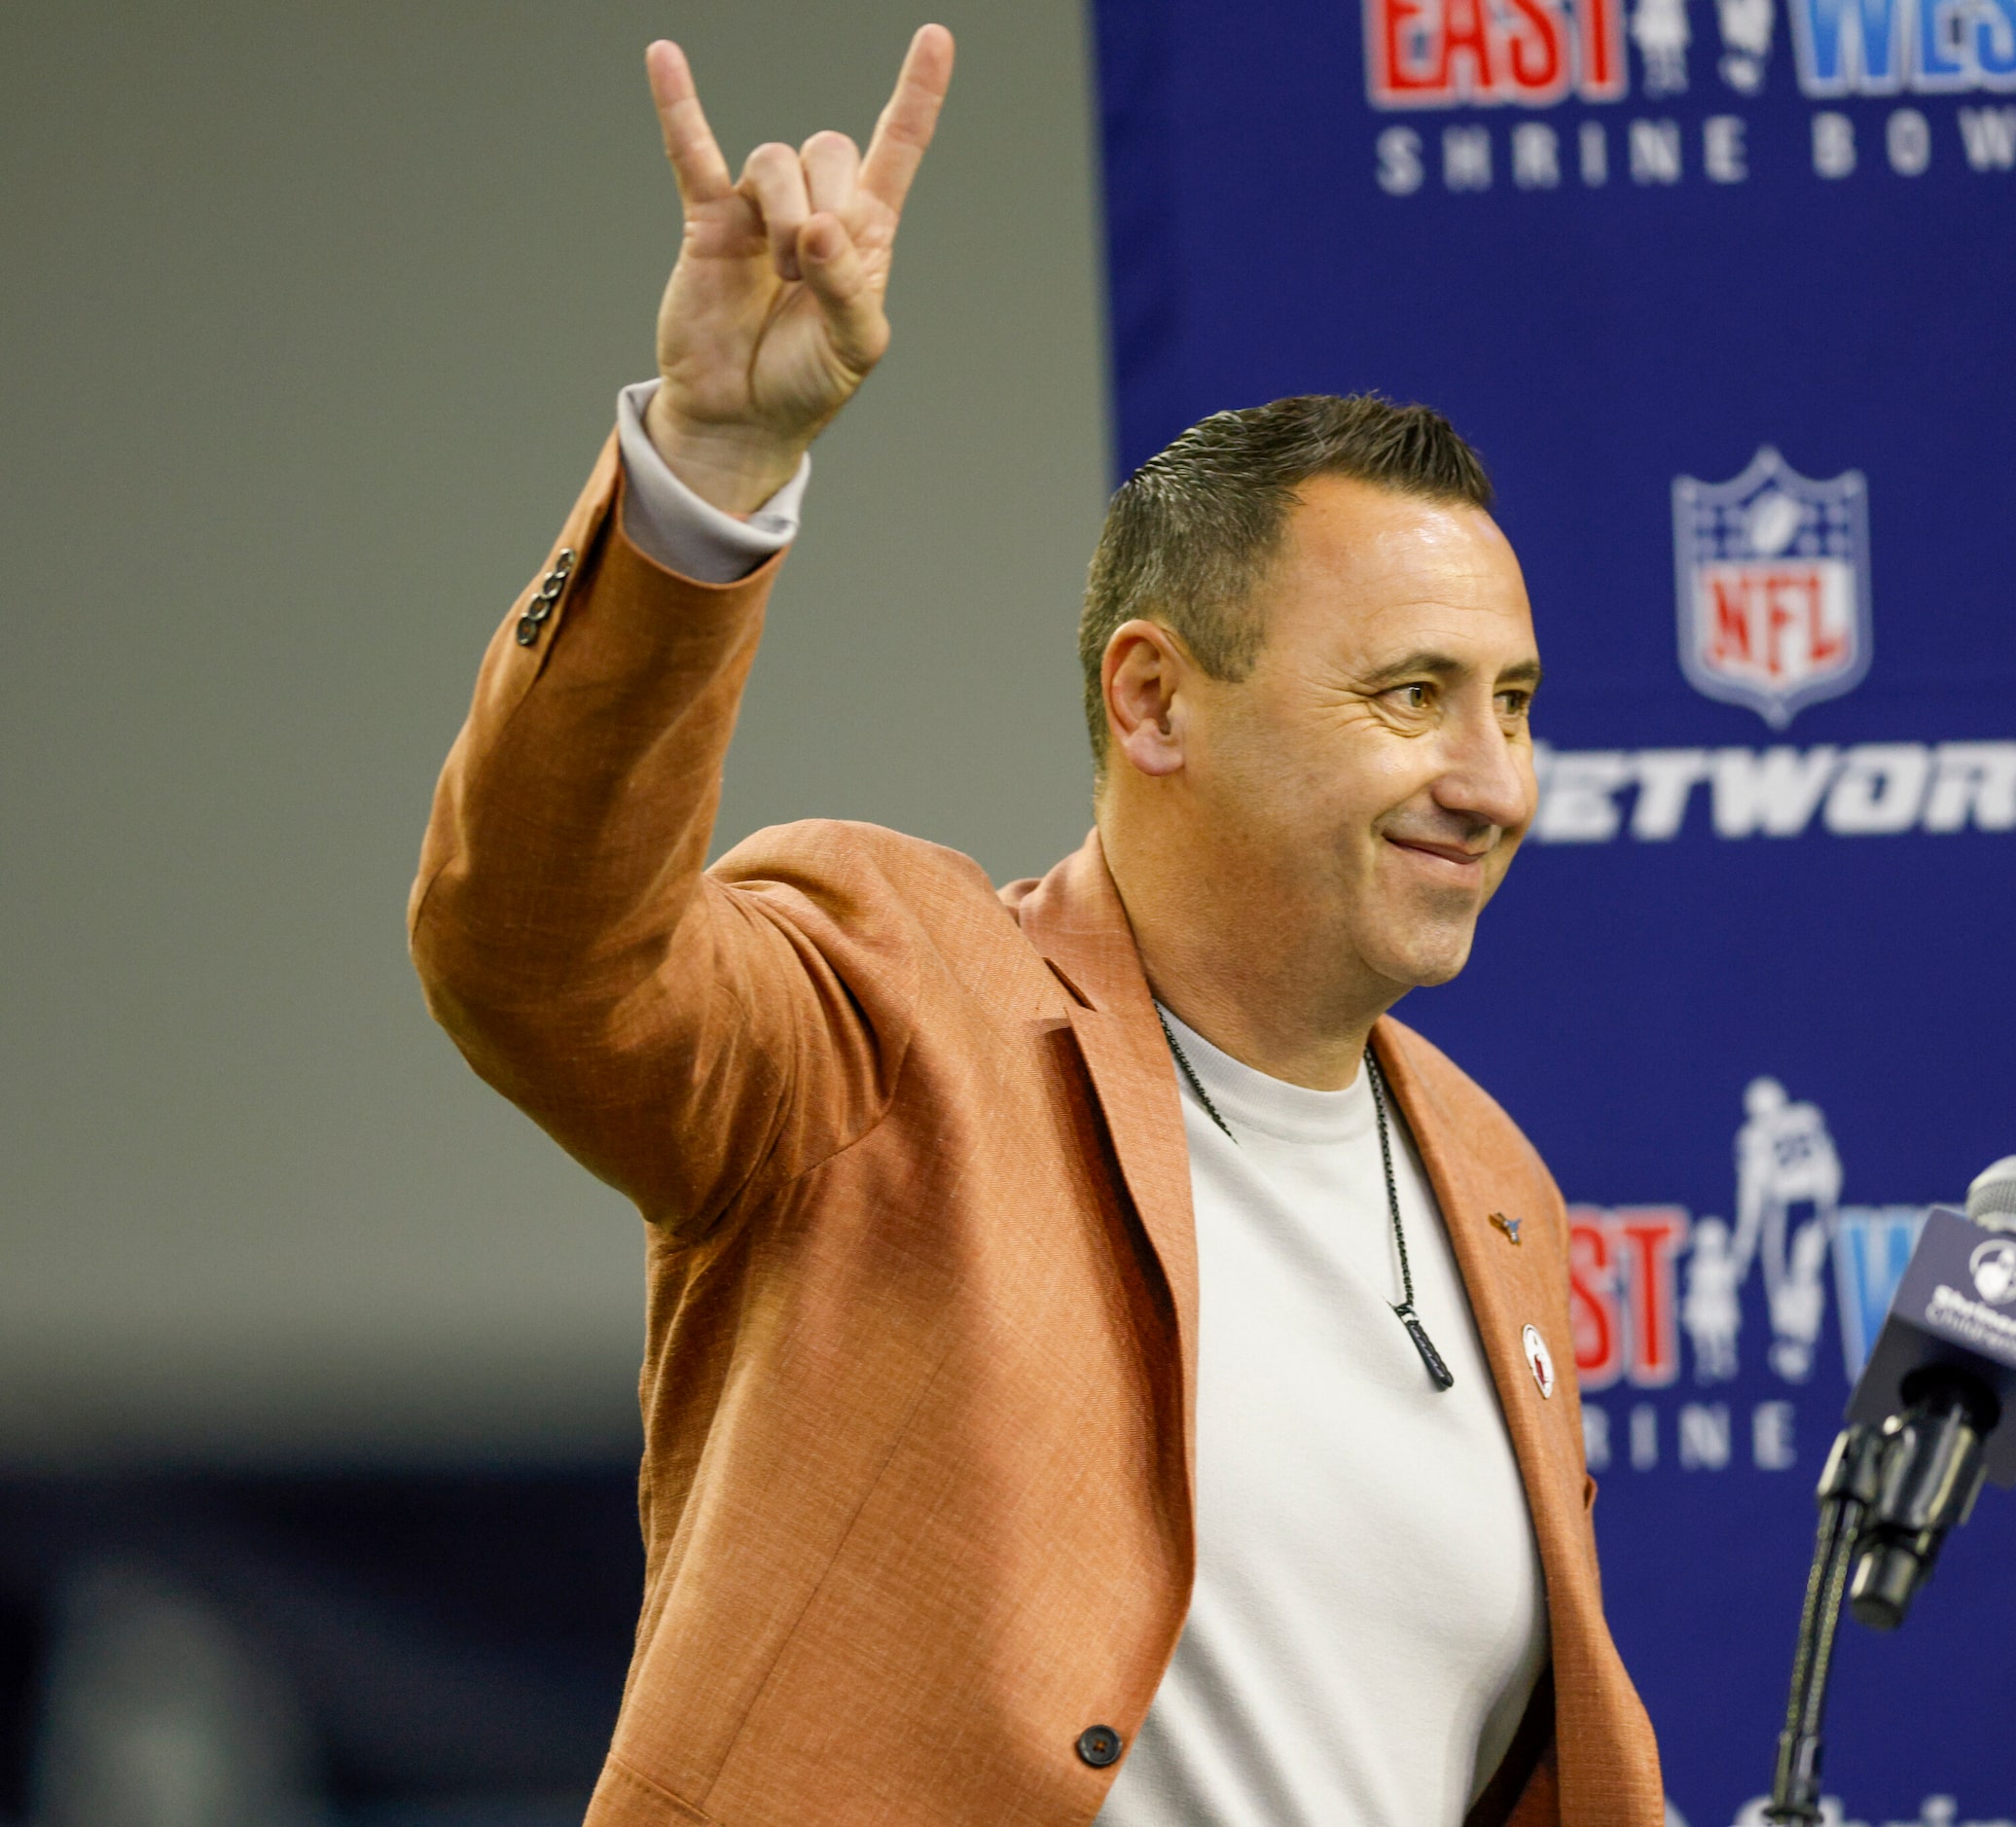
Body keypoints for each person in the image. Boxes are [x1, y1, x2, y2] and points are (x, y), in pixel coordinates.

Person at [406, 24, 1661, 1827]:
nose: (1495, 779)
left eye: (1517, 701)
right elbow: (537, 953)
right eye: (1410, 695)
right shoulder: (894, 1003)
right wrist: (713, 465)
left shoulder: (1493, 1182)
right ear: (1153, 700)